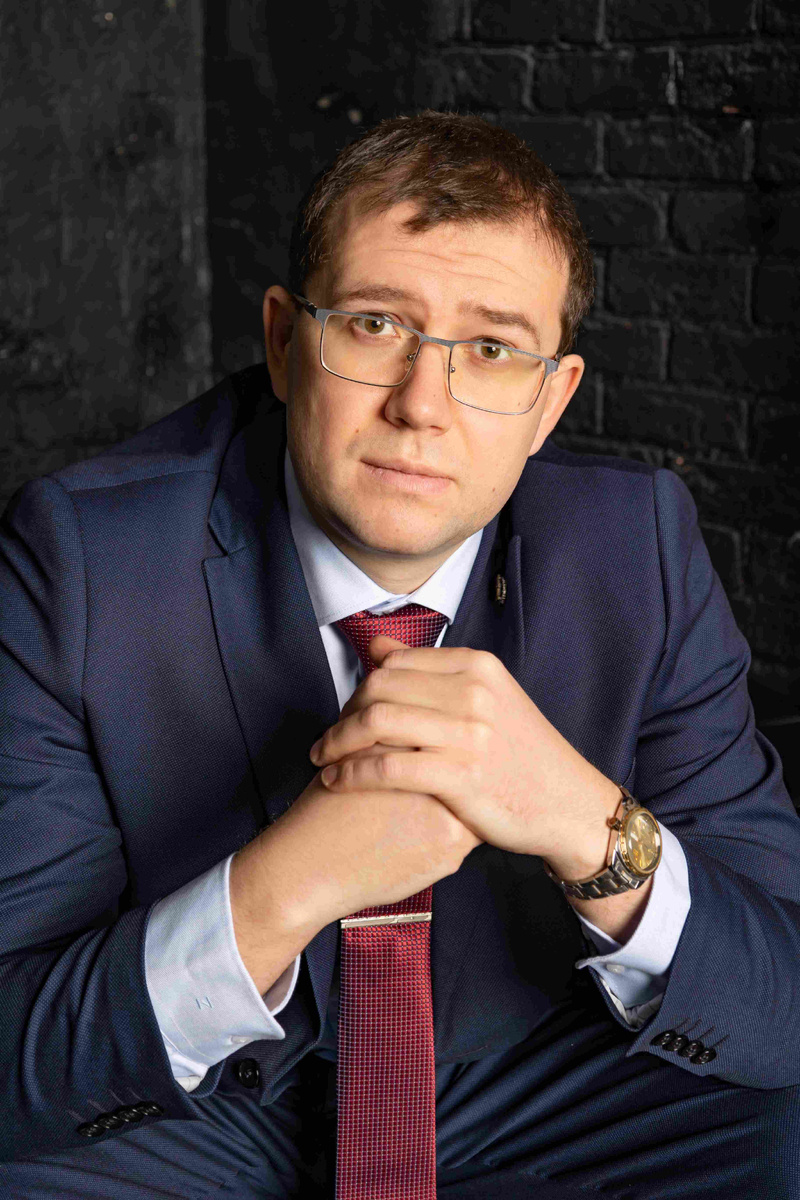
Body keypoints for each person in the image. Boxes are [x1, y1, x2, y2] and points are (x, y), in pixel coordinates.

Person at [1, 109, 798, 1200]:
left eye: (491, 349)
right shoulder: (83, 561)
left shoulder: (637, 549)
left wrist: (586, 823)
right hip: (201, 1103)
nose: (422, 406)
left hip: (538, 1081)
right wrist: (279, 890)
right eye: (375, 325)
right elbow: (17, 1044)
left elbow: (780, 987)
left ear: (549, 400)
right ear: (284, 343)